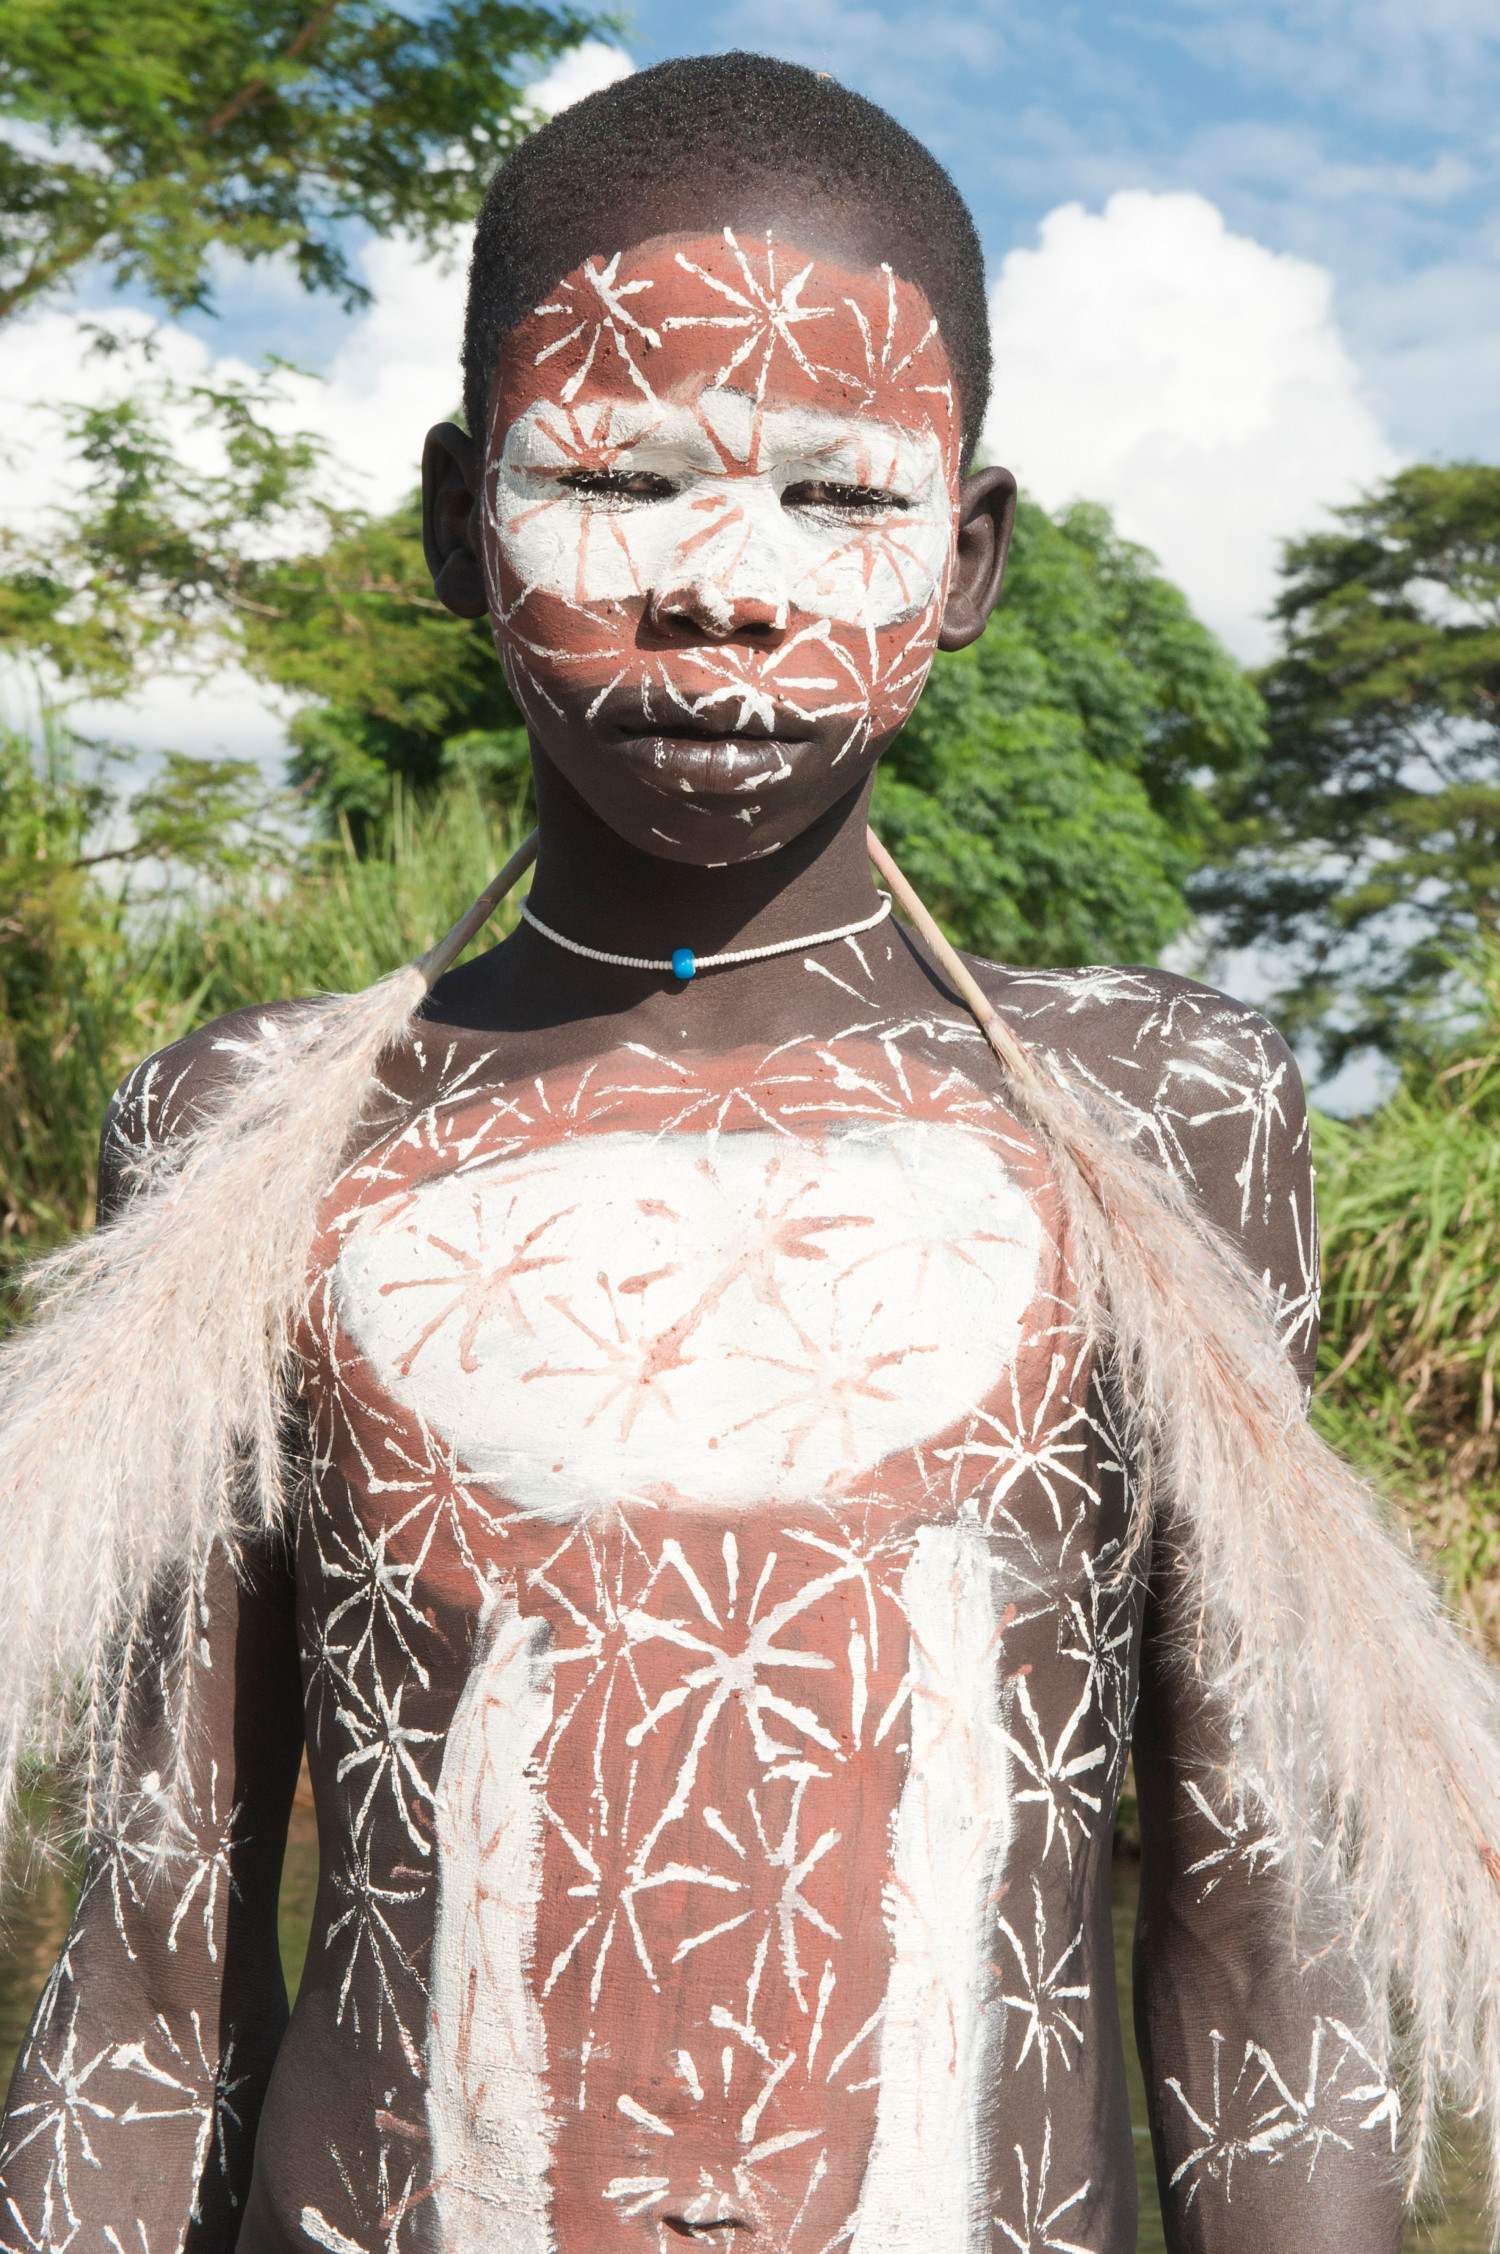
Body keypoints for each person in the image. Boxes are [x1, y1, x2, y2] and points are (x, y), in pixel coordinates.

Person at [0, 52, 1428, 2254]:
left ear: (965, 560)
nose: (722, 588)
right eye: (621, 478)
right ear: (458, 519)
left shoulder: (1162, 1115)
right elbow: (153, 1969)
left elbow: (1264, 1939)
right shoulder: (248, 1139)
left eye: (838, 501)